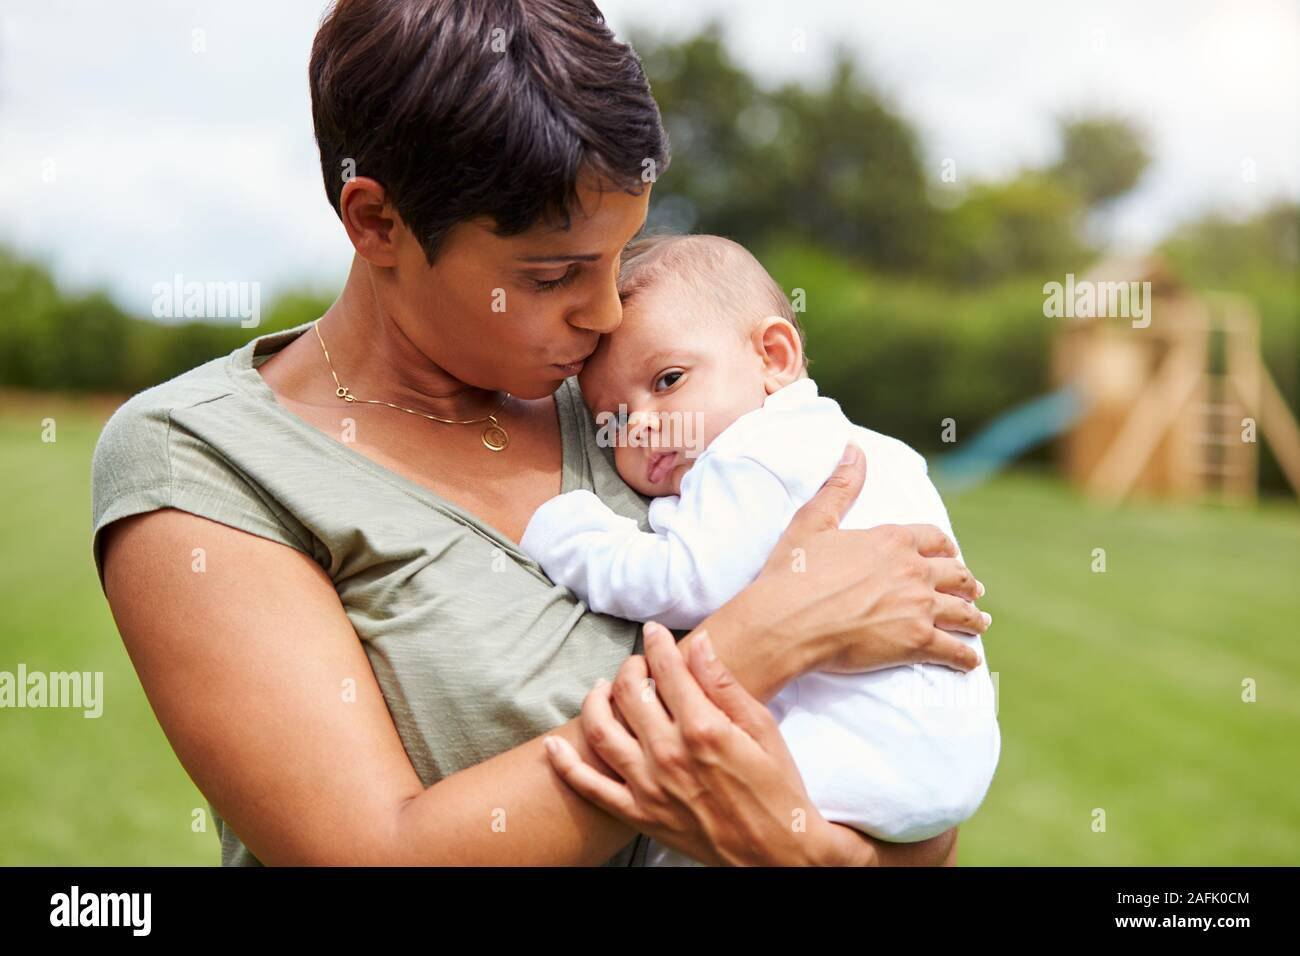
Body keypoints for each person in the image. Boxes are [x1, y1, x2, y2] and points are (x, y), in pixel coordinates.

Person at [91, 0, 989, 866]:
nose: (604, 314)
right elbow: (371, 856)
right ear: (377, 222)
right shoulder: (206, 462)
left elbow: (910, 809)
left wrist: (811, 851)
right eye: (554, 272)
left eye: (621, 253)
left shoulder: (637, 397)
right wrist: (770, 638)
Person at [520, 233, 1001, 866]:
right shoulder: (859, 445)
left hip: (855, 750)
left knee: (688, 819)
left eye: (668, 380)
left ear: (773, 356)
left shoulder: (755, 454)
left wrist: (568, 531)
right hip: (940, 754)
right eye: (611, 419)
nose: (638, 424)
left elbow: (683, 582)